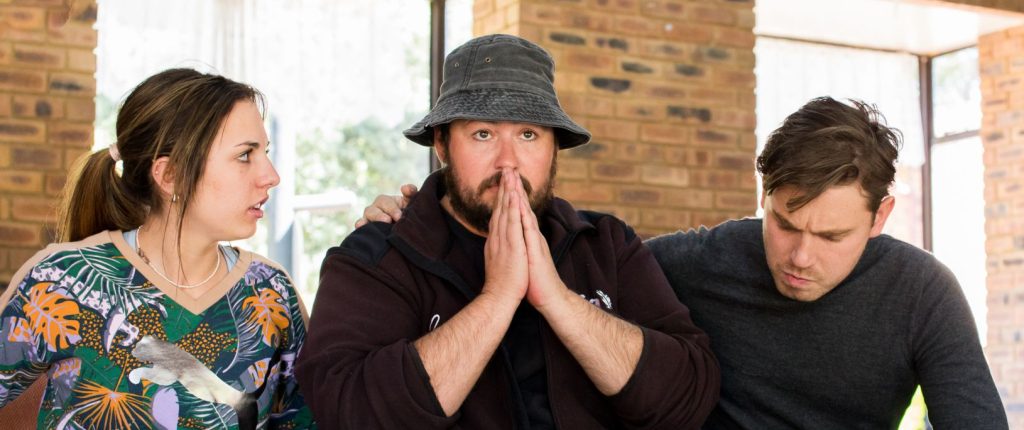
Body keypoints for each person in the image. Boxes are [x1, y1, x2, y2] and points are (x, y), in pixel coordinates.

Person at [358, 96, 1009, 428]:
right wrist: (424, 216)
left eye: (832, 235)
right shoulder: (695, 260)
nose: (800, 256)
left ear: (881, 215)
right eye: (784, 223)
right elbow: (570, 260)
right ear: (763, 196)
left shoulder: (922, 293)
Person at [294, 34, 720, 429]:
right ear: (441, 144)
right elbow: (348, 410)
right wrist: (497, 298)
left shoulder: (606, 244)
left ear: (554, 149)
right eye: (483, 134)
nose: (508, 161)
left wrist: (557, 300)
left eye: (528, 135)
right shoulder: (378, 255)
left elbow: (687, 399)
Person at [0, 68, 316, 429]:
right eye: (245, 155)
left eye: (265, 153)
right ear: (170, 175)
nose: (271, 176)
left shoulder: (271, 293)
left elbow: (306, 419)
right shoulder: (61, 278)